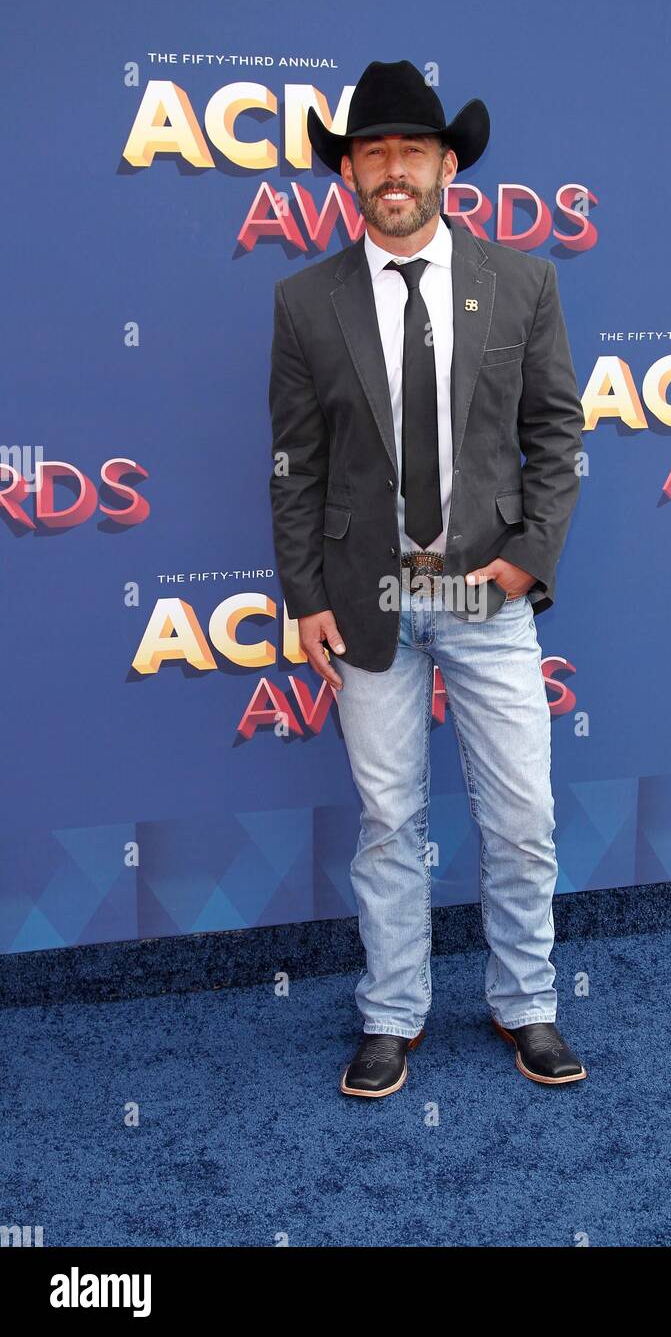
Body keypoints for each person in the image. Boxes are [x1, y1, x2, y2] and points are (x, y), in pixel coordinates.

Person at [269, 59, 587, 1097]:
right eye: (371, 153)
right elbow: (294, 463)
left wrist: (526, 558)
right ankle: (391, 1013)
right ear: (348, 172)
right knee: (388, 821)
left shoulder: (523, 280)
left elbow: (555, 431)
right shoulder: (305, 302)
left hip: (482, 593)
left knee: (521, 815)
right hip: (370, 599)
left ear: (448, 163)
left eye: (411, 149)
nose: (391, 170)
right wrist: (305, 595)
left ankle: (525, 1003)